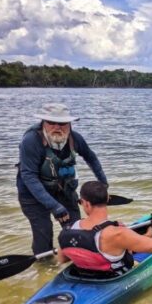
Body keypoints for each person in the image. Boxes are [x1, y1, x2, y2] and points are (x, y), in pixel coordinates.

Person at [16, 103, 108, 255]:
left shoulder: (75, 138)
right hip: (32, 193)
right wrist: (54, 206)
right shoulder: (31, 141)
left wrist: (103, 184)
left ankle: (77, 259)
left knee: (75, 228)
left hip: (63, 189)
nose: (57, 127)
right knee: (43, 232)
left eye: (62, 123)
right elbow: (28, 176)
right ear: (43, 123)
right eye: (52, 123)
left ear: (69, 124)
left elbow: (91, 158)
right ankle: (44, 266)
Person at [57, 180, 152, 278]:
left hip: (85, 275)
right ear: (108, 199)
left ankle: (149, 232)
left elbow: (63, 259)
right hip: (114, 277)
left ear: (85, 203)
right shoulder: (118, 232)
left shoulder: (69, 230)